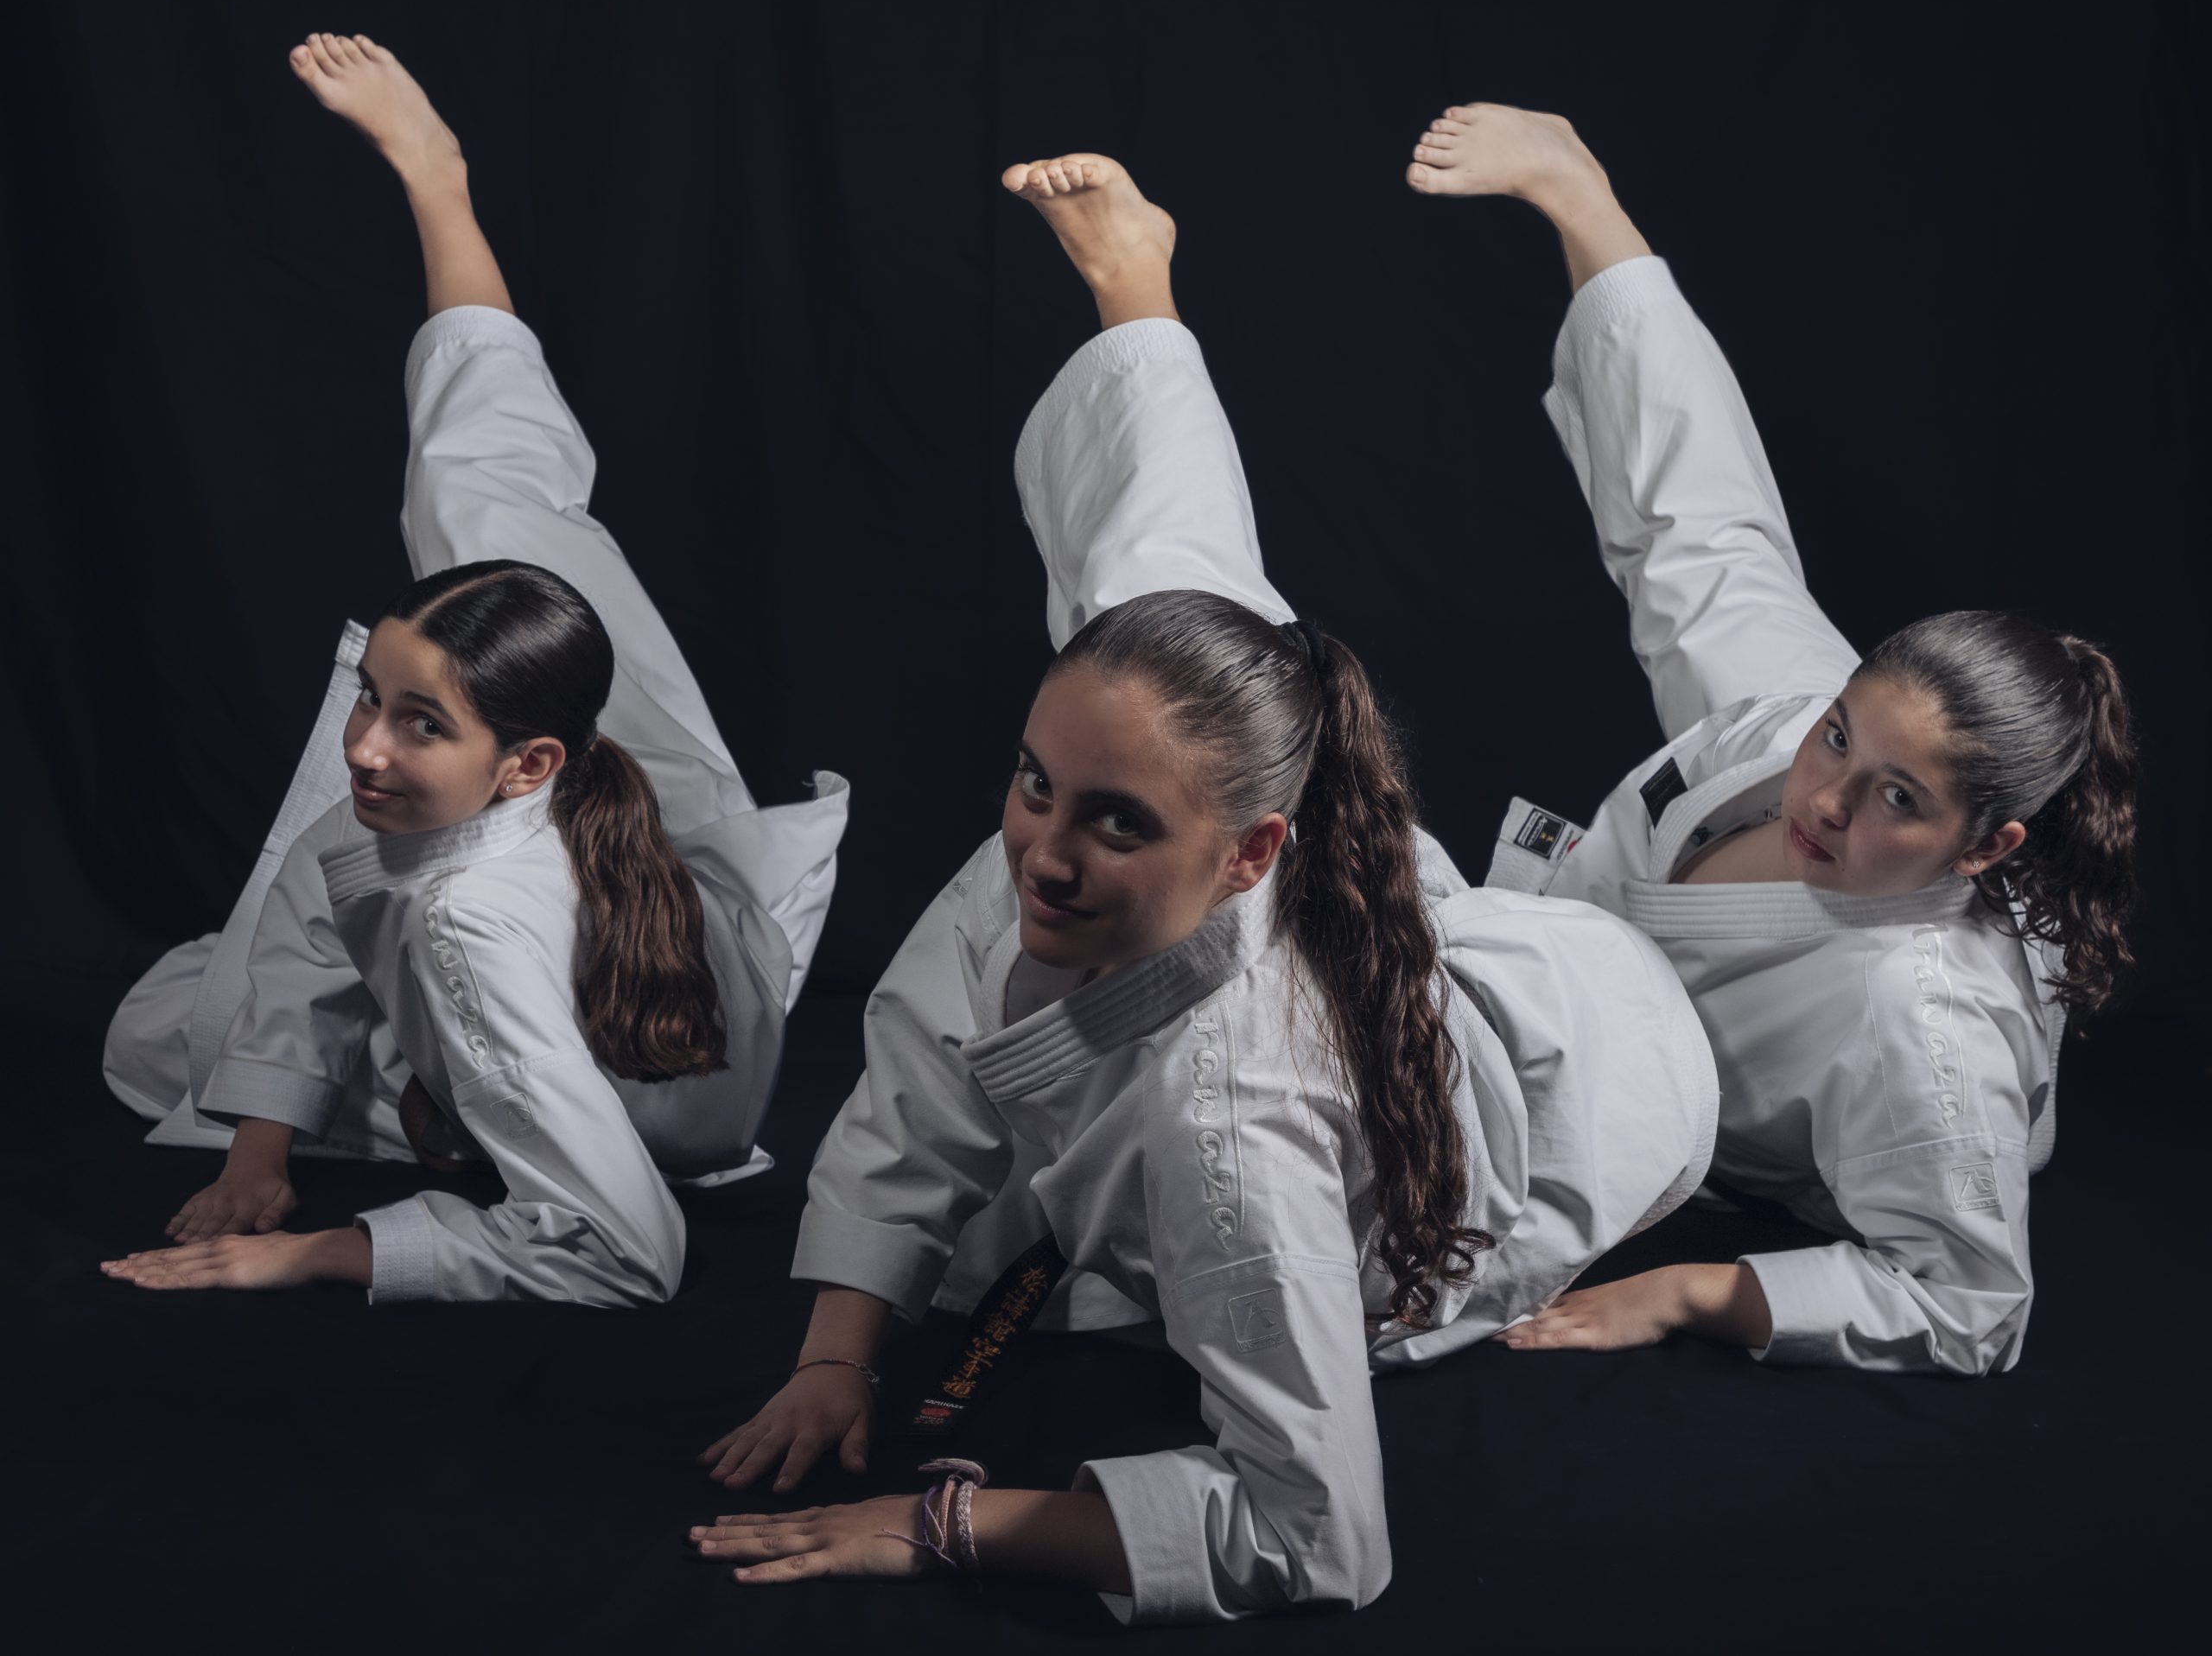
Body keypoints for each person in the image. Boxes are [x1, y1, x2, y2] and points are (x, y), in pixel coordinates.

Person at [683, 151, 1718, 1623]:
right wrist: (835, 1356)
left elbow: (1322, 1539)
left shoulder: (1233, 1129)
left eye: (1111, 822)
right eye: (1032, 780)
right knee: (1174, 627)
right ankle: (1140, 303)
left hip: (1608, 1090)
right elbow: (924, 1079)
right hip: (1414, 946)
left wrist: (941, 1522)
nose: (1044, 850)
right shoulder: (1073, 847)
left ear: (1254, 854)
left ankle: (1141, 304)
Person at [99, 34, 848, 1304]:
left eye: (417, 722)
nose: (360, 744)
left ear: (532, 762)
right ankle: (438, 180)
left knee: (154, 1036)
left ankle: (434, 175)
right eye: (368, 698)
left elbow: (627, 1254)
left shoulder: (467, 923)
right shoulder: (533, 780)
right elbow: (324, 882)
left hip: (657, 1096)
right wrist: (261, 1151)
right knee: (476, 501)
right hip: (666, 952)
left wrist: (308, 1249)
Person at [1404, 103, 2136, 1374]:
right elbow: (1700, 525)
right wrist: (1581, 211)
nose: (1828, 799)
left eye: (1898, 798)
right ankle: (1584, 185)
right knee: (1707, 554)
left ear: (1985, 846)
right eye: (1841, 739)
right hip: (1578, 984)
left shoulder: (1926, 1026)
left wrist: (1691, 1293)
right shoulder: (1800, 733)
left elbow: (1972, 1305)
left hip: (1816, 1134)